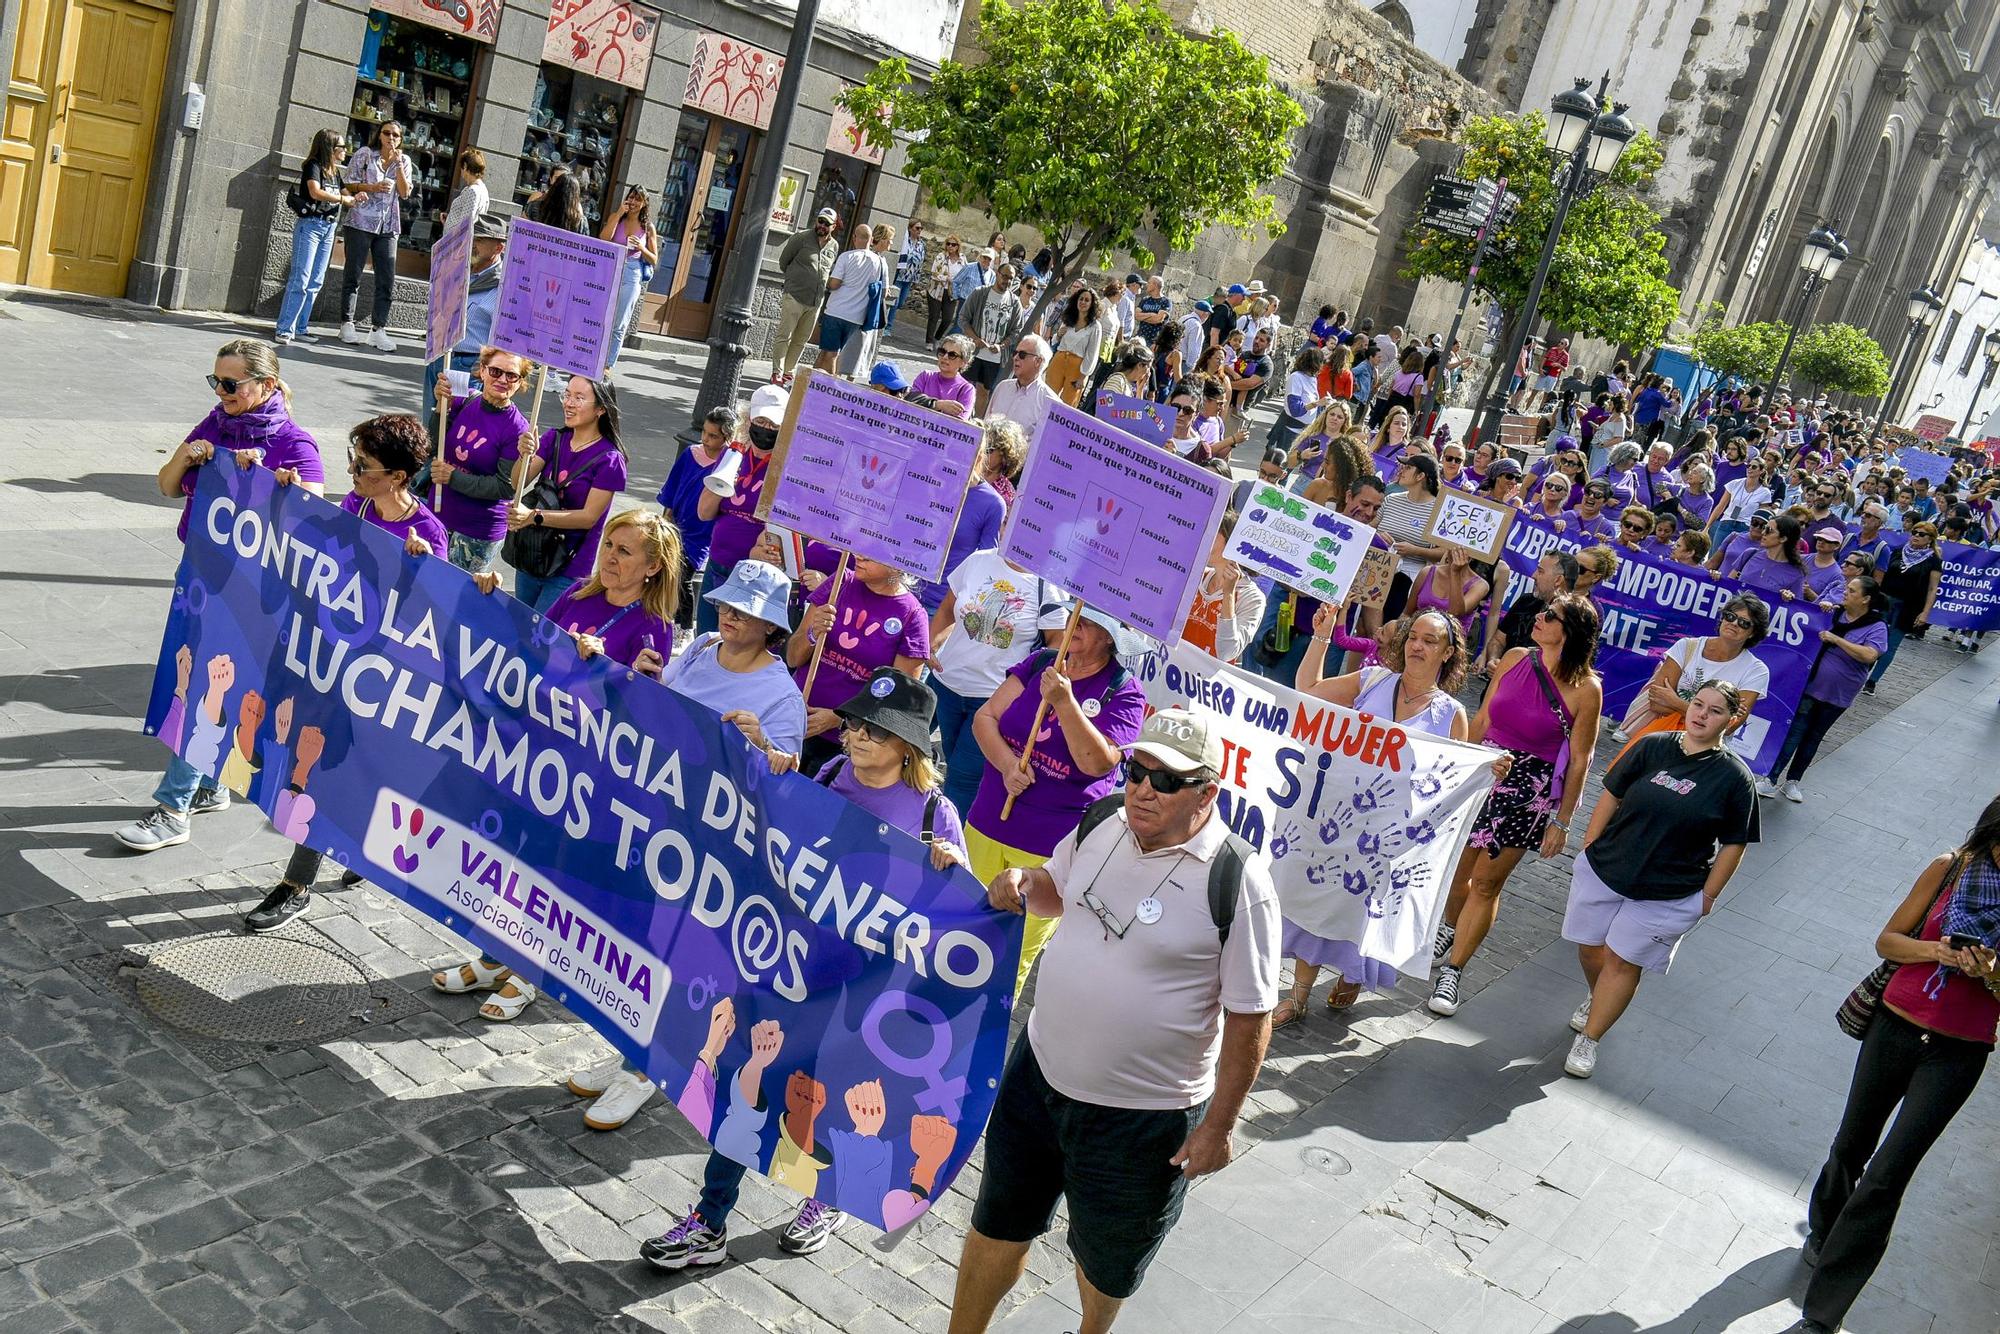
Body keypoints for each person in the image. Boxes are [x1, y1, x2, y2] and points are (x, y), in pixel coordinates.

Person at [953, 709, 1279, 1334]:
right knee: (997, 1220)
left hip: (1144, 1120)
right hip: (1039, 1075)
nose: (1142, 789)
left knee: (1107, 1264)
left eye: (1166, 781)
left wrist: (1219, 1126)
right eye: (1136, 771)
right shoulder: (1102, 821)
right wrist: (1025, 882)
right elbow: (1055, 889)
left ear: (1207, 793)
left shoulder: (1239, 882)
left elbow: (1249, 1016)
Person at [639, 668, 967, 1266]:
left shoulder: (933, 817)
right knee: (751, 1080)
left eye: (878, 729)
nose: (859, 735)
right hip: (791, 964)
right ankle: (709, 1220)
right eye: (858, 722)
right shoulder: (833, 773)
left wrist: (950, 868)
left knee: (836, 1096)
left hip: (861, 990)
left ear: (910, 747)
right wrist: (776, 769)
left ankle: (827, 1196)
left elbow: (958, 921)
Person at [1787, 799, 2000, 1334]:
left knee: (1887, 1176)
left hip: (1959, 1051)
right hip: (1895, 1027)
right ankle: (1823, 1229)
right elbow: (1888, 941)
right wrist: (1940, 953)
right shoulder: (1949, 867)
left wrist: (1992, 973)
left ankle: (1823, 1314)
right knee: (1851, 1145)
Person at [116, 340, 325, 854]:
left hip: (253, 594)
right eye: (216, 381)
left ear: (267, 386)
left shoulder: (296, 444)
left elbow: (315, 519)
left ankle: (173, 809)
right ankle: (210, 785)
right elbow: (167, 486)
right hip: (202, 577)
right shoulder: (214, 425)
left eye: (231, 384)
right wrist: (188, 455)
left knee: (207, 687)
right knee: (204, 683)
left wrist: (283, 489)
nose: (221, 392)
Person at [241, 414, 447, 930]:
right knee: (318, 763)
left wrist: (421, 571)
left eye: (365, 466)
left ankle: (299, 883)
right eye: (353, 461)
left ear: (398, 477)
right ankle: (334, 858)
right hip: (330, 661)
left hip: (379, 678)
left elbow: (432, 621)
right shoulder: (355, 504)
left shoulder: (427, 533)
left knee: (337, 769)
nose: (353, 473)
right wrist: (282, 495)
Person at [1275, 610, 1483, 1022]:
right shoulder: (1372, 680)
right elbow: (1308, 690)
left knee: (1365, 910)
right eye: (1413, 638)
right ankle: (1298, 997)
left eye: (1429, 641)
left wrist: (1487, 770)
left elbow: (1456, 774)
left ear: (1447, 654)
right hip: (1338, 823)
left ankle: (1355, 972)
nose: (1417, 647)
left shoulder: (1449, 714)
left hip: (1391, 835)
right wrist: (1320, 637)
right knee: (1323, 901)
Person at [1559, 682, 1759, 1078]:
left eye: (1714, 711)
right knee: (1591, 949)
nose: (1701, 714)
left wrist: (1709, 895)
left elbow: (1735, 843)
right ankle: (1598, 997)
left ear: (1731, 721)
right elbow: (1611, 794)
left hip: (1668, 891)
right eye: (1698, 704)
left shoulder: (1736, 779)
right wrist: (1590, 844)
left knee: (1624, 960)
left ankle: (1591, 1037)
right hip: (1607, 868)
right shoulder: (1652, 746)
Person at [1431, 596, 1605, 1016]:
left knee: (1488, 883)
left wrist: (1562, 821)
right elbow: (1484, 718)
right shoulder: (1514, 658)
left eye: (1550, 616)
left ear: (1571, 632)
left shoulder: (1587, 689)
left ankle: (1454, 969)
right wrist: (1454, 771)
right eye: (1542, 612)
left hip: (1528, 789)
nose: (1539, 619)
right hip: (1484, 772)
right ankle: (1452, 926)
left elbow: (1581, 758)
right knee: (1457, 873)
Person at [965, 606, 1147, 995]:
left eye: (1088, 622)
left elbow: (1097, 764)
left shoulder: (1124, 692)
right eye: (1073, 618)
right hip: (986, 822)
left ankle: (980, 1043)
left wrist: (1065, 704)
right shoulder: (1042, 662)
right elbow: (986, 718)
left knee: (1010, 957)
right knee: (960, 926)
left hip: (1049, 849)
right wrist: (1008, 764)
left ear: (1110, 638)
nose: (1074, 626)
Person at [786, 557, 930, 775]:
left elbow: (894, 706)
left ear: (900, 562)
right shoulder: (840, 581)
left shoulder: (912, 616)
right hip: (790, 720)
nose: (859, 556)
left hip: (842, 748)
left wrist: (840, 718)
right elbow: (792, 658)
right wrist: (813, 634)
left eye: (873, 554)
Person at [929, 546, 1043, 820]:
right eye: (1008, 520)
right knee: (925, 761)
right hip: (944, 685)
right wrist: (930, 645)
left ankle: (943, 846)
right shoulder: (978, 560)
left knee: (961, 778)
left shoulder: (1049, 584)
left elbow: (1054, 649)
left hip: (992, 703)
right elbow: (947, 610)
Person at [1757, 576, 1888, 802]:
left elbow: (1869, 654)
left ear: (1866, 599)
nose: (1846, 592)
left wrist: (1836, 639)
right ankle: (1771, 778)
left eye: (1853, 591)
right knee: (1795, 733)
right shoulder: (1833, 613)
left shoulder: (1876, 626)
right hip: (1810, 688)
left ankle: (1793, 781)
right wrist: (1793, 599)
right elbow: (1801, 615)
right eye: (1847, 588)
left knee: (1813, 738)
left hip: (1839, 695)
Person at [508, 376, 628, 614]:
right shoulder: (554, 438)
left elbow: (588, 518)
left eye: (579, 398)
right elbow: (517, 482)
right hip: (533, 552)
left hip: (569, 566)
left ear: (601, 409)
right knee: (517, 626)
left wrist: (534, 516)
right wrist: (525, 455)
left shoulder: (610, 460)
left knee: (540, 635)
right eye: (567, 395)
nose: (569, 403)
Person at [1613, 592, 1769, 744]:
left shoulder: (1756, 671)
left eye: (1744, 623)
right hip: (1658, 737)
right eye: (1730, 616)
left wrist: (1674, 702)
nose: (1734, 623)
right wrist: (1713, 717)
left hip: (1704, 751)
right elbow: (1656, 702)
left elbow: (1729, 726)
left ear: (1752, 633)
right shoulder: (1686, 646)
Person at [429, 345, 532, 573]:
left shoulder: (518, 429)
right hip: (438, 516)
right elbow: (435, 445)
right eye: (496, 371)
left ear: (520, 382)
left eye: (512, 375)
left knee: (451, 600)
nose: (503, 379)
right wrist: (440, 406)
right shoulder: (465, 399)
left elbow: (505, 487)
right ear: (483, 371)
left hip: (476, 533)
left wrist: (452, 477)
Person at [421, 212, 511, 409]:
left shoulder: (505, 287)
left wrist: (484, 370)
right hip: (439, 358)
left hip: (469, 367)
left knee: (456, 432)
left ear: (499, 247)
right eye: (470, 238)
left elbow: (508, 340)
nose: (471, 244)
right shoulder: (456, 272)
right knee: (430, 428)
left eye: (479, 240)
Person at [656, 406, 735, 628]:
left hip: (702, 534)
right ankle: (666, 619)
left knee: (683, 579)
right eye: (705, 433)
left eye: (713, 436)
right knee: (665, 574)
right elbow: (672, 487)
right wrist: (666, 518)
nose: (706, 439)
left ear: (726, 437)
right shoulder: (690, 454)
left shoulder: (729, 464)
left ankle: (684, 626)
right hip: (677, 524)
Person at [275, 129, 355, 345]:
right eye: (341, 147)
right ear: (330, 148)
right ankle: (285, 328)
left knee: (316, 280)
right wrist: (342, 199)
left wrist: (357, 197)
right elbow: (315, 192)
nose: (345, 151)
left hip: (329, 228)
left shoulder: (335, 172)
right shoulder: (314, 166)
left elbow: (347, 194)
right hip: (310, 225)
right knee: (300, 277)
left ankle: (300, 327)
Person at [338, 121, 413, 351]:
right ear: (379, 135)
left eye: (396, 135)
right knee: (354, 273)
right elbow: (348, 184)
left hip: (388, 226)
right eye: (387, 133)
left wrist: (399, 165)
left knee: (386, 279)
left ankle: (378, 329)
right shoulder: (365, 154)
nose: (391, 137)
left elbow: (405, 192)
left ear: (400, 139)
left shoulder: (405, 161)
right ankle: (347, 323)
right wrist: (372, 188)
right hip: (360, 221)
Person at [1866, 521, 1943, 693]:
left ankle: (1872, 680)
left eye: (1922, 534)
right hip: (1886, 602)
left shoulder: (1933, 560)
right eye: (1914, 532)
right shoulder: (1900, 551)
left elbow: (1932, 589)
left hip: (1908, 607)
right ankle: (1863, 670)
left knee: (1891, 644)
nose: (1916, 536)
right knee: (1873, 637)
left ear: (1930, 539)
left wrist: (1925, 612)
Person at [1181, 512, 1266, 664]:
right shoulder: (1195, 577)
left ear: (1232, 542)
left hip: (1205, 685)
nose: (1205, 538)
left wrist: (1228, 594)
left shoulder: (1253, 597)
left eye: (1214, 532)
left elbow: (1227, 652)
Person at [1479, 549, 1578, 675]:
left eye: (1540, 571)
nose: (1533, 575)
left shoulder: (1573, 621)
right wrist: (1494, 660)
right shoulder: (1525, 601)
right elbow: (1498, 640)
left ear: (1558, 580)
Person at [1373, 451, 1445, 619]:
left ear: (1421, 476)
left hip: (1410, 579)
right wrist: (1378, 535)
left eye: (1408, 467)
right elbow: (1370, 527)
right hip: (1377, 569)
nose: (1401, 470)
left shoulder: (1438, 511)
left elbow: (1444, 552)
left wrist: (1416, 550)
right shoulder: (1391, 499)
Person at [772, 207, 841, 383]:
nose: (822, 226)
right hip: (794, 295)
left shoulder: (834, 245)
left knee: (801, 339)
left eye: (827, 224)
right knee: (784, 335)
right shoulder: (801, 238)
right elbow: (783, 262)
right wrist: (794, 281)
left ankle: (789, 372)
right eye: (820, 221)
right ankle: (777, 372)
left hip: (816, 300)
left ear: (833, 227)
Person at [600, 186, 658, 371]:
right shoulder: (616, 218)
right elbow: (604, 239)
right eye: (631, 197)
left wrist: (642, 247)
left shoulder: (648, 228)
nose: (632, 202)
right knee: (601, 318)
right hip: (610, 268)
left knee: (619, 323)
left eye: (637, 199)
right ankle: (593, 358)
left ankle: (608, 366)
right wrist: (618, 214)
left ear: (644, 203)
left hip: (631, 273)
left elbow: (654, 259)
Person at [816, 224, 887, 374]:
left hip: (836, 311)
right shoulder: (879, 262)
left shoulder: (846, 257)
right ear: (871, 239)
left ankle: (829, 388)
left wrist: (826, 281)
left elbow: (835, 284)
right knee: (827, 351)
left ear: (854, 238)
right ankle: (808, 382)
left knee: (831, 353)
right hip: (857, 317)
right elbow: (880, 290)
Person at [960, 263, 1026, 416]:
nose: (1007, 281)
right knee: (964, 385)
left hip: (995, 357)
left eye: (1011, 278)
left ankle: (977, 421)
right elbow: (963, 318)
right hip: (973, 352)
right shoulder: (980, 293)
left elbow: (1017, 331)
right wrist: (975, 339)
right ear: (997, 274)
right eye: (1004, 276)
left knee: (984, 391)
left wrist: (1002, 345)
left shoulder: (1014, 303)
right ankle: (959, 416)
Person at [987, 333, 1059, 441]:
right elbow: (985, 424)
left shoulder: (1050, 402)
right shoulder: (1002, 387)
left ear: (1038, 361)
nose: (1015, 358)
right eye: (1015, 353)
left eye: (1022, 354)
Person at [1724, 513, 1809, 602]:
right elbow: (1727, 585)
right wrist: (1716, 577)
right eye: (1765, 528)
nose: (1763, 533)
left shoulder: (1796, 573)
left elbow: (1794, 607)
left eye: (1769, 530)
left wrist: (1788, 598)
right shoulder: (1750, 554)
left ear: (1783, 538)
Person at [1046, 288, 1103, 405]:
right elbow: (1056, 340)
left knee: (1068, 403)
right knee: (1047, 395)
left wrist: (1083, 377)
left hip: (1077, 367)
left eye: (1087, 300)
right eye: (1080, 299)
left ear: (1092, 304)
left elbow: (1092, 354)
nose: (1083, 302)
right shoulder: (1069, 318)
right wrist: (1059, 335)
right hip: (1059, 359)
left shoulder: (1095, 327)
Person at [910, 334, 978, 419]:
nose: (945, 357)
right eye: (942, 352)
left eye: (952, 355)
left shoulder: (966, 389)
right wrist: (938, 405)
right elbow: (909, 399)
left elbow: (960, 424)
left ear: (963, 362)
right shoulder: (925, 376)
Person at [925, 233, 967, 350]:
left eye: (953, 244)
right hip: (936, 290)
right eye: (948, 244)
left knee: (947, 319)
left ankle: (937, 338)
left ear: (958, 246)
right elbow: (934, 273)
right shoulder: (941, 256)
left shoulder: (962, 259)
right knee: (934, 316)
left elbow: (965, 274)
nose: (950, 246)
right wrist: (947, 278)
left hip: (952, 293)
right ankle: (929, 341)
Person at [888, 218, 926, 331]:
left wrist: (916, 279)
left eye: (921, 228)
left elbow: (920, 262)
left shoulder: (921, 244)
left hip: (910, 278)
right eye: (917, 228)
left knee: (900, 303)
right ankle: (888, 326)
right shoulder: (904, 242)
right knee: (894, 303)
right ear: (910, 228)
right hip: (900, 276)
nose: (919, 230)